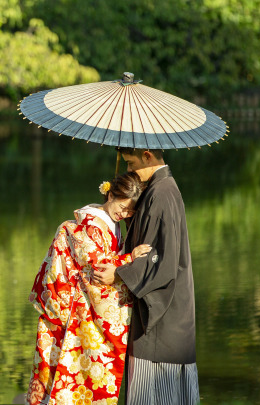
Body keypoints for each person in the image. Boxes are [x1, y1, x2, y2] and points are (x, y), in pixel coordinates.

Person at [25, 172, 152, 405]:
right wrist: (129, 259)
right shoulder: (90, 224)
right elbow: (97, 272)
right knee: (72, 377)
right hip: (73, 308)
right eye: (122, 207)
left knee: (70, 380)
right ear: (110, 194)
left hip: (77, 305)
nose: (124, 214)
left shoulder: (108, 223)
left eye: (130, 211)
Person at [92, 148, 200, 405]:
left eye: (131, 163)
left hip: (162, 324)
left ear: (147, 155)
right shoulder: (158, 190)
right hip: (170, 321)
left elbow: (162, 260)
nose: (129, 170)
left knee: (154, 395)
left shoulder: (161, 194)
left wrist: (118, 275)